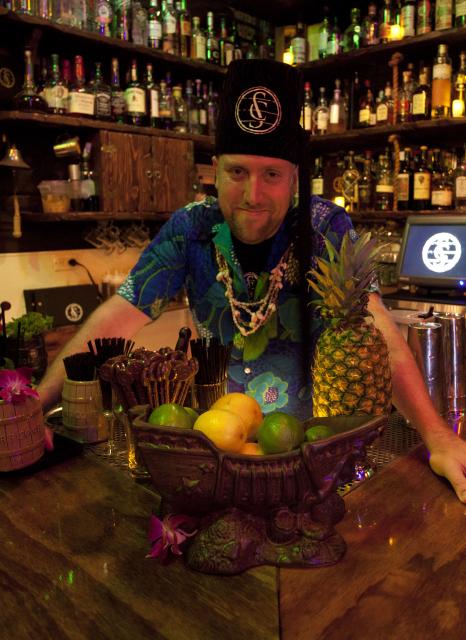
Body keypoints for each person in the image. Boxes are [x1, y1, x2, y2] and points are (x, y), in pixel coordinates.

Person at [38, 59, 466, 503]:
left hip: (313, 456)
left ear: (294, 178)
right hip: (222, 453)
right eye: (237, 172)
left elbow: (377, 334)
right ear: (215, 170)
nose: (252, 195)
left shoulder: (324, 227)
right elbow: (119, 314)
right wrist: (39, 401)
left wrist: (437, 437)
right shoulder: (191, 228)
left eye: (272, 175)